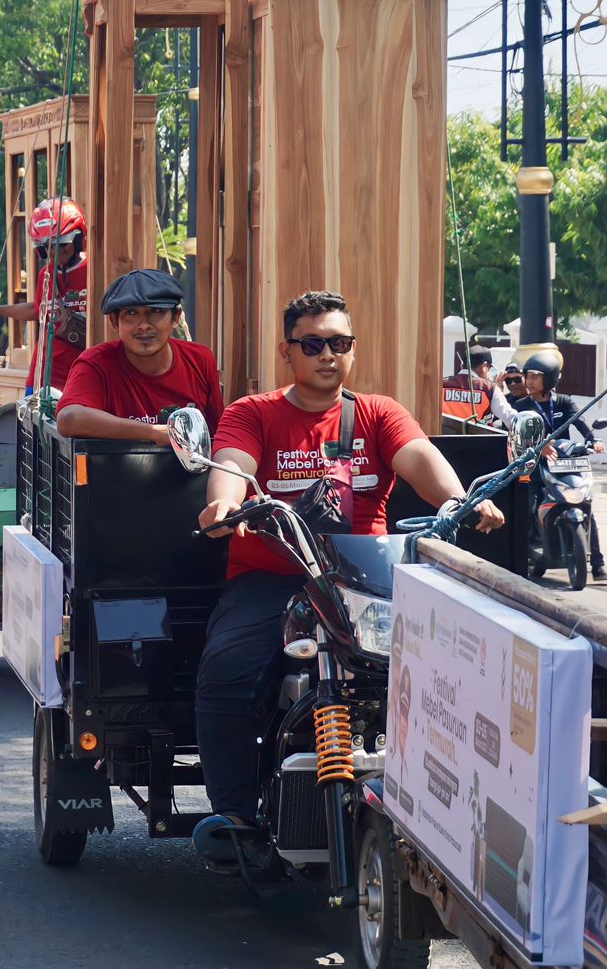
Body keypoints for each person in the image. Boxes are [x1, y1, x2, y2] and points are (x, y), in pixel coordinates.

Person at [190, 291, 504, 861]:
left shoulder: (379, 413)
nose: (328, 355)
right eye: (313, 344)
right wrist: (222, 504)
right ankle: (234, 814)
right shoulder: (253, 412)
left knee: (449, 678)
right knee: (224, 672)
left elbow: (419, 457)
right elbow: (234, 465)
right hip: (273, 578)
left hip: (365, 583)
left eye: (340, 344)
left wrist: (462, 501)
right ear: (288, 352)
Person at [55, 268, 223, 444]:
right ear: (114, 321)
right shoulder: (95, 363)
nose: (143, 325)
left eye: (156, 311)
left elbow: (217, 431)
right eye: (131, 313)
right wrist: (154, 433)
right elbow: (69, 419)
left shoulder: (200, 359)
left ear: (176, 317)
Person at [510, 353, 607, 582]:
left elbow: (579, 421)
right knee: (528, 507)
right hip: (536, 466)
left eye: (536, 376)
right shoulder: (522, 405)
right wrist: (539, 446)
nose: (530, 381)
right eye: (528, 376)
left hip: (565, 464)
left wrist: (593, 440)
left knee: (585, 504)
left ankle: (597, 564)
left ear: (551, 379)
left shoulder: (564, 402)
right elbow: (519, 433)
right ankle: (526, 555)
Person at [0, 196, 89, 390]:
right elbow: (37, 310)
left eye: (60, 246)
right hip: (45, 377)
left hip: (85, 375)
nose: (51, 254)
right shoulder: (47, 274)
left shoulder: (93, 272)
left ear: (78, 241)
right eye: (45, 249)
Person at [440, 344, 517, 430]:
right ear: (484, 366)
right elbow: (510, 418)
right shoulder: (489, 388)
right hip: (477, 442)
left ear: (462, 366)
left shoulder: (441, 385)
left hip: (441, 441)